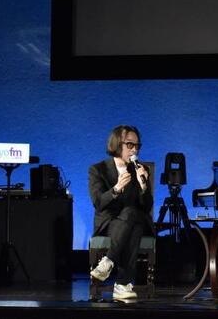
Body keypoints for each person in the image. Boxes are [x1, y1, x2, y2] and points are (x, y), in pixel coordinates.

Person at [89, 125, 153, 301]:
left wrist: (144, 186)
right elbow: (98, 203)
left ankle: (108, 261)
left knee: (134, 215)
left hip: (131, 221)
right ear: (117, 144)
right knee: (135, 222)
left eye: (137, 146)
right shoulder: (98, 169)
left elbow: (146, 206)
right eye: (130, 145)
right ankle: (123, 284)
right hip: (109, 223)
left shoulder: (140, 170)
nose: (134, 150)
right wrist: (116, 189)